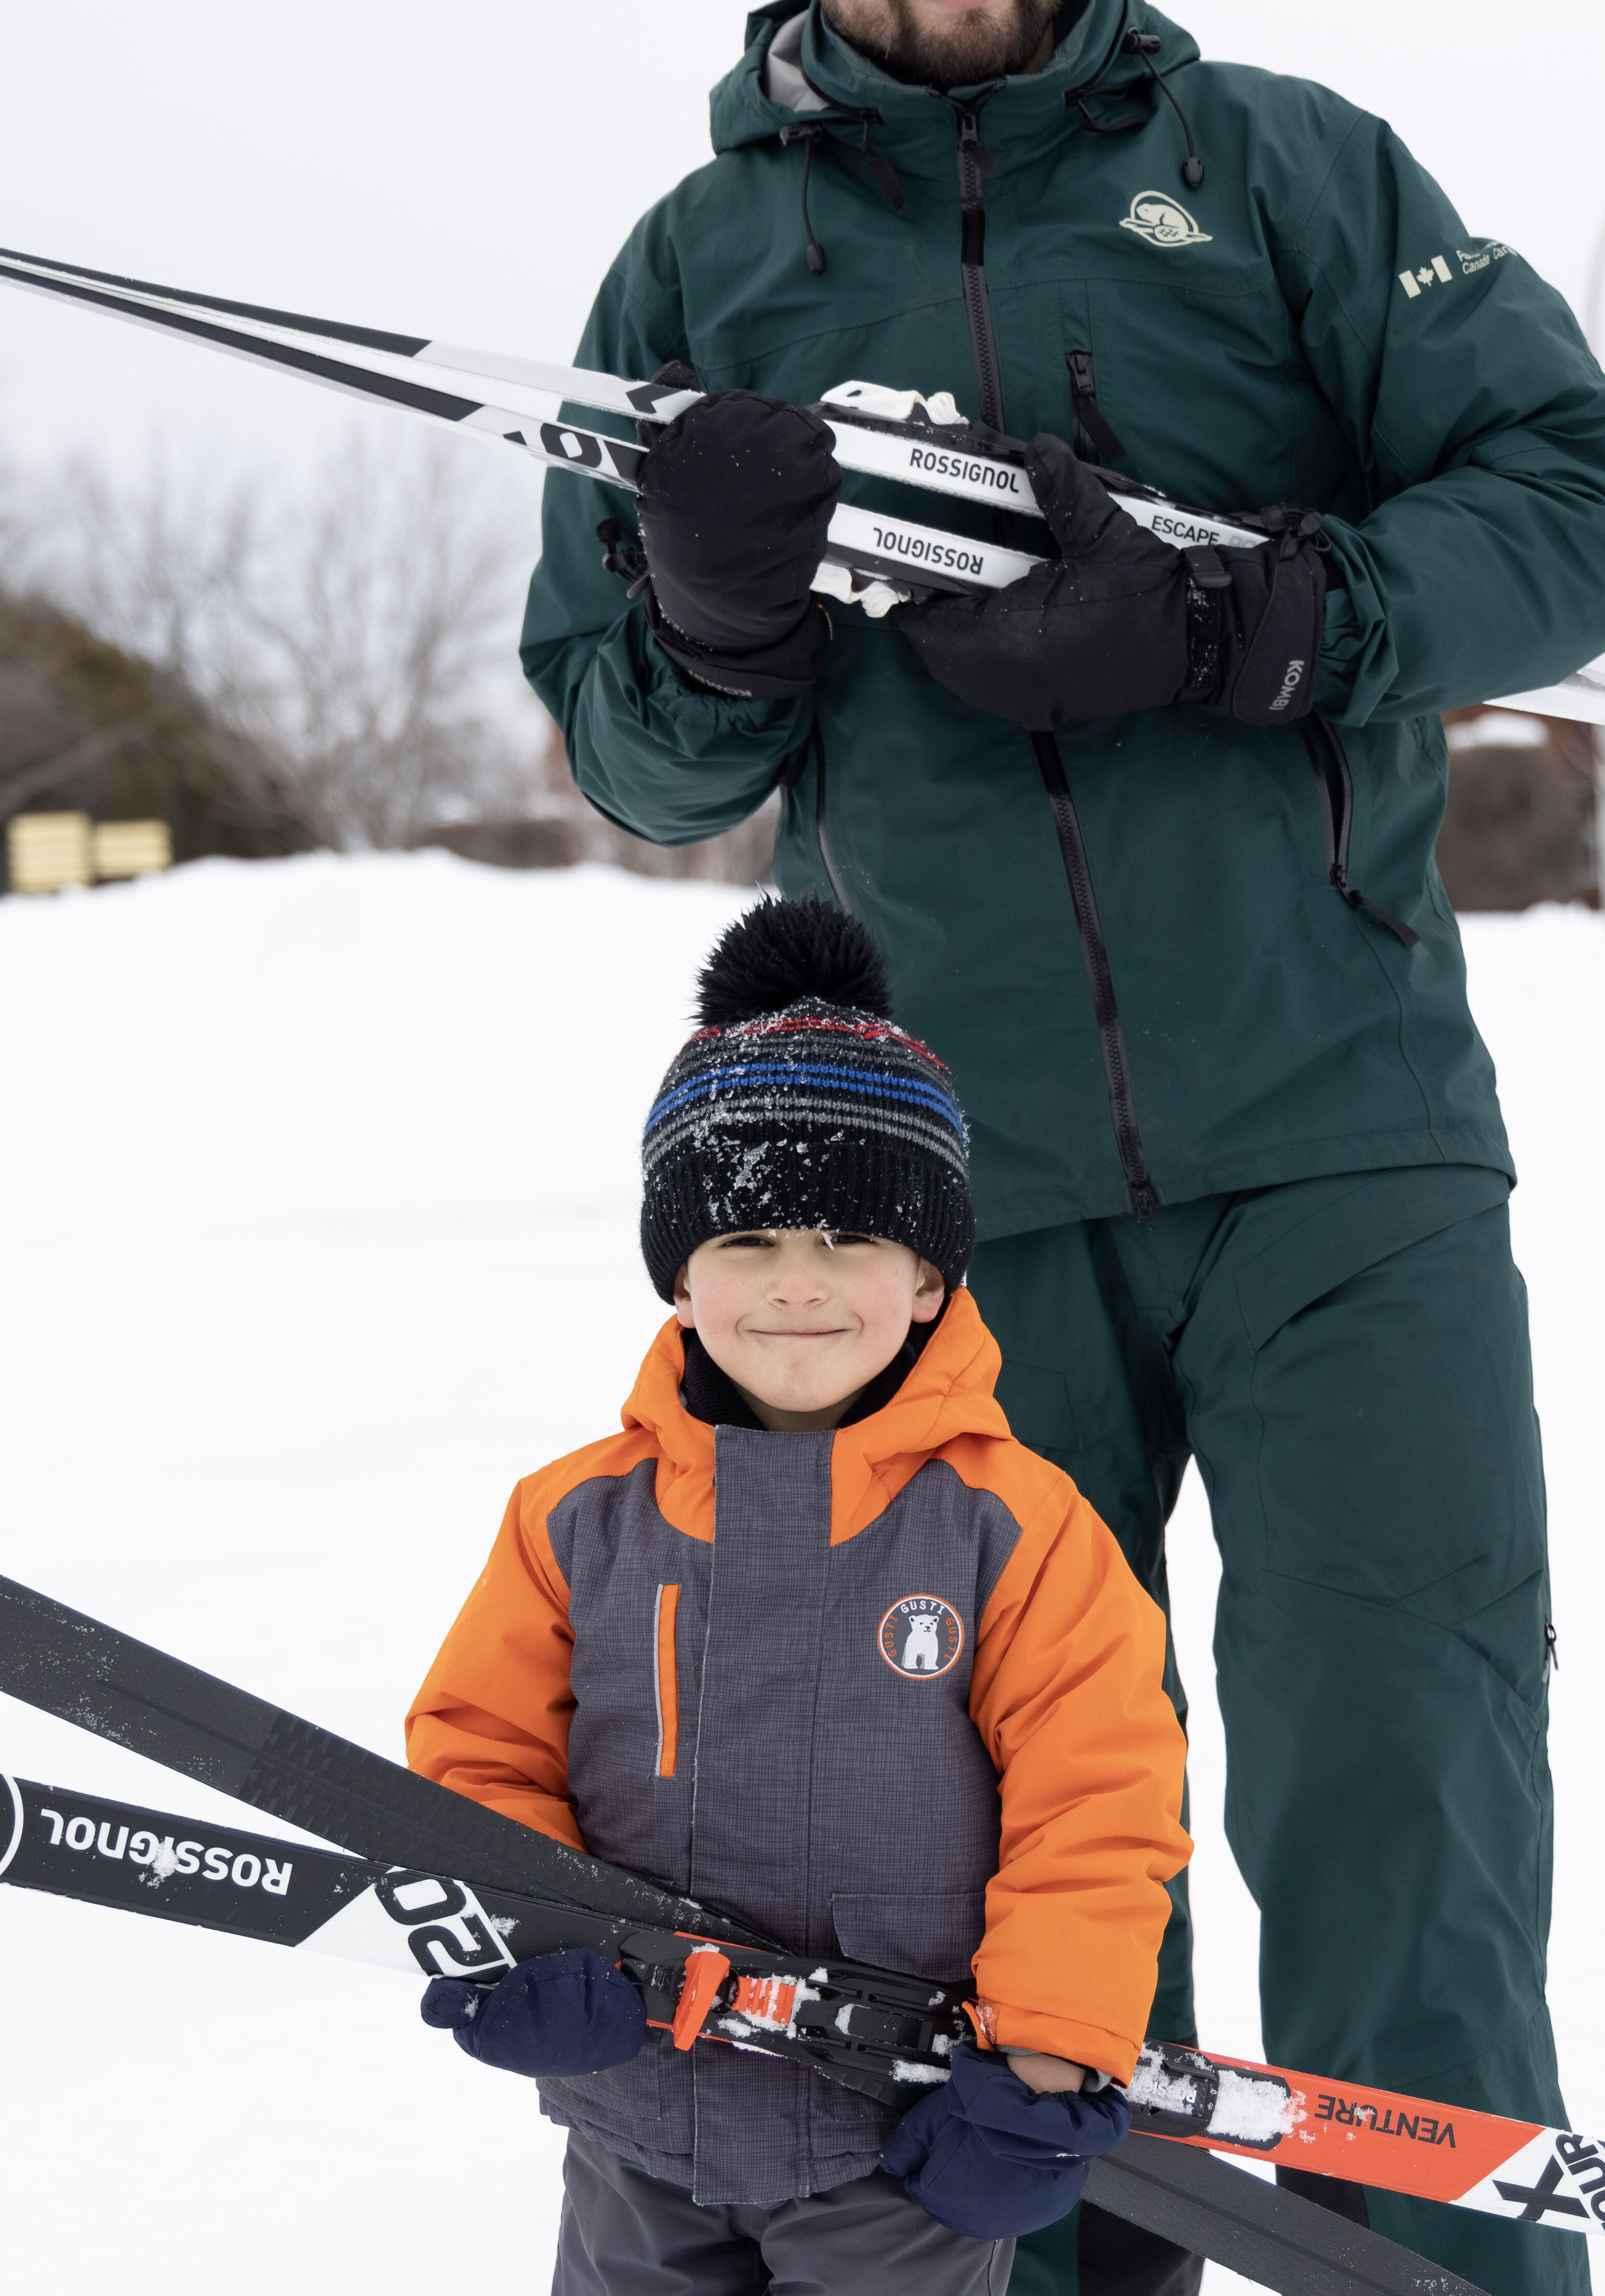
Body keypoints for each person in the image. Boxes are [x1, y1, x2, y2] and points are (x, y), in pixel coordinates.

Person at [520, 0, 1605, 2296]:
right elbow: (630, 749)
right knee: (1018, 1834)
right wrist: (708, 629)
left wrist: (1255, 618)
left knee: (1403, 1769)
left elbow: (1575, 500)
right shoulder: (691, 277)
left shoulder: (1278, 171)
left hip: (1343, 1123)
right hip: (956, 1194)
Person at [406, 897, 1192, 2294]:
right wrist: (524, 1941)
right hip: (632, 2125)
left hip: (898, 2147)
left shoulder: (1013, 1527)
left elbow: (1100, 1805)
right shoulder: (572, 1518)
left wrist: (1044, 2057)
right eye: (750, 1244)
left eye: (847, 1243)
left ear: (931, 1273)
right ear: (681, 1275)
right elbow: (479, 1757)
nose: (798, 1289)